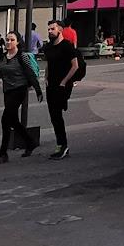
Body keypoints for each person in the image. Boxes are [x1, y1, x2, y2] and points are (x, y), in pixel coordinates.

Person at [0, 31, 42, 163]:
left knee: (5, 119)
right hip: (7, 89)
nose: (8, 42)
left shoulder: (21, 56)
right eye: (7, 40)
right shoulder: (3, 57)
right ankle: (30, 142)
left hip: (19, 89)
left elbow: (30, 73)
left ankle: (2, 153)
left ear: (17, 42)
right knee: (13, 120)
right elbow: (2, 73)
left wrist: (38, 90)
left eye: (12, 40)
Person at [42, 23, 85, 159]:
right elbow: (49, 63)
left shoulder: (66, 46)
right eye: (48, 29)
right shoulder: (48, 47)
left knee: (57, 114)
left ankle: (62, 145)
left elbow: (75, 66)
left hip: (62, 85)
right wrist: (46, 77)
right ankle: (61, 145)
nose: (50, 31)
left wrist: (64, 82)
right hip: (51, 85)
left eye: (52, 29)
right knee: (54, 116)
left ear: (60, 30)